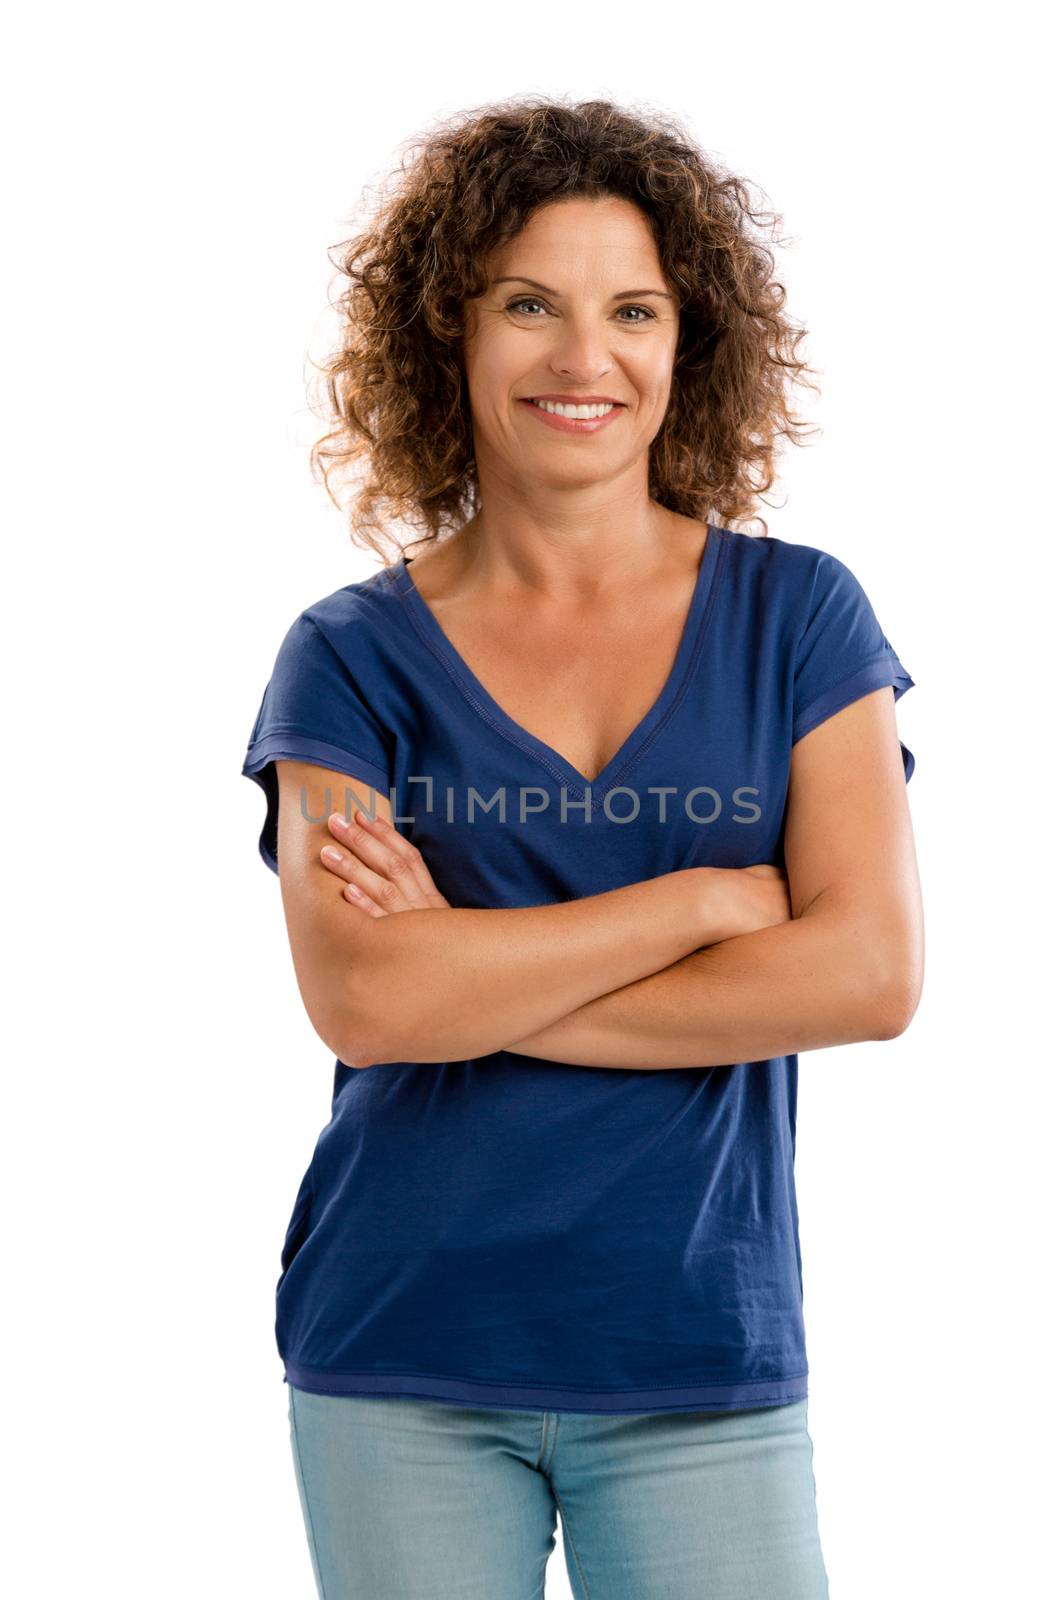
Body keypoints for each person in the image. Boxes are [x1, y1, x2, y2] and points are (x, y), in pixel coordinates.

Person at [240, 96, 922, 1600]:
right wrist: (699, 901)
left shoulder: (799, 619)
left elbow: (867, 974)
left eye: (631, 309)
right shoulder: (347, 660)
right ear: (451, 337)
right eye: (526, 305)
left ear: (689, 344)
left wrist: (467, 983)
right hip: (399, 1352)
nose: (579, 356)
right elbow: (364, 1003)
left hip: (695, 1355)